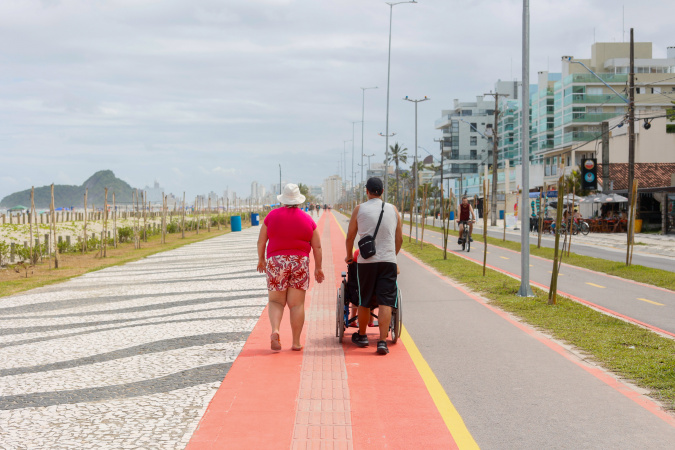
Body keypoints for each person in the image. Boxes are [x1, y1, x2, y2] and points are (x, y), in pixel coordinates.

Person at [257, 184, 325, 352]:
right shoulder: (307, 219)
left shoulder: (271, 216)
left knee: (275, 301)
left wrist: (261, 260)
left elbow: (261, 240)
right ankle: (295, 342)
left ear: (283, 200)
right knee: (297, 305)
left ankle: (275, 331)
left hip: (276, 261)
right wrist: (318, 268)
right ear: (298, 201)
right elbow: (317, 247)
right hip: (299, 262)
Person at [345, 177, 403, 355]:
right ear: (383, 191)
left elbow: (350, 236)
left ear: (367, 191)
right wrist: (392, 255)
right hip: (388, 261)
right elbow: (399, 239)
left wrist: (349, 256)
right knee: (386, 301)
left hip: (366, 262)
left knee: (364, 300)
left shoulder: (359, 209)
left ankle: (362, 336)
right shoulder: (393, 209)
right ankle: (382, 342)